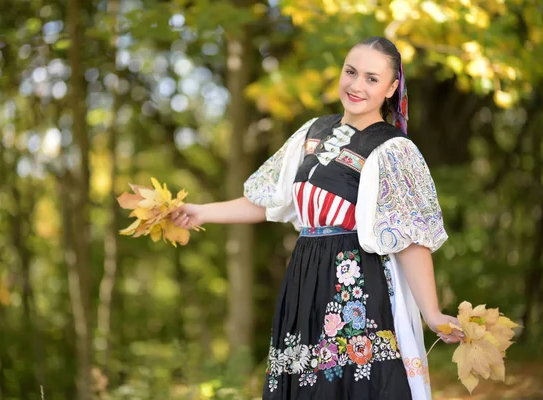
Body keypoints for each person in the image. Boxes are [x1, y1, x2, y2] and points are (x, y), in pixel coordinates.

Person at [171, 36, 463, 400]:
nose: (356, 85)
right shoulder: (311, 133)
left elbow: (410, 239)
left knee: (353, 384)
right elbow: (267, 201)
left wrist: (431, 313)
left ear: (391, 88)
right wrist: (201, 211)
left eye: (372, 79)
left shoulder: (394, 149)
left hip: (355, 280)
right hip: (305, 276)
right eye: (351, 72)